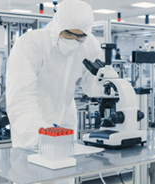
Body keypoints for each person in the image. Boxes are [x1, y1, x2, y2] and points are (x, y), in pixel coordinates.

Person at [6, 0, 103, 150]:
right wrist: (41, 135)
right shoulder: (31, 44)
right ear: (58, 25)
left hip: (67, 125)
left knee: (67, 169)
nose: (74, 41)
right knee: (33, 169)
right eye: (68, 34)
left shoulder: (89, 45)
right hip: (31, 129)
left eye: (80, 36)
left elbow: (93, 86)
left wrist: (112, 88)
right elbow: (21, 97)